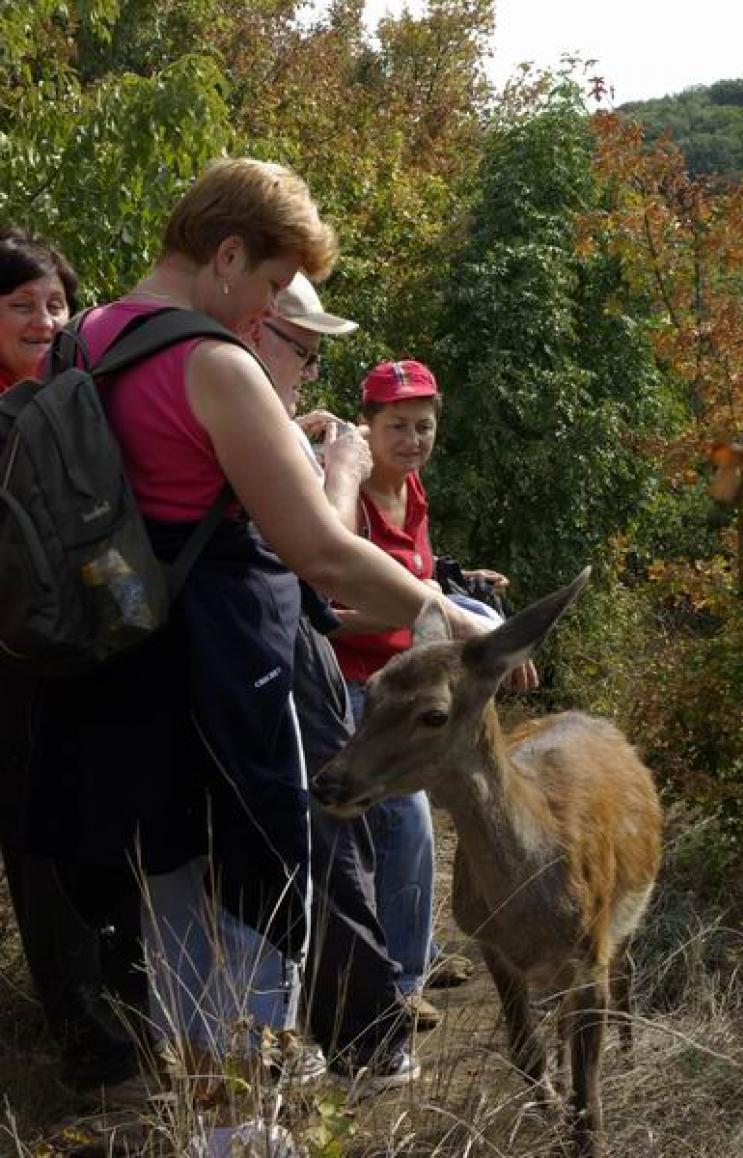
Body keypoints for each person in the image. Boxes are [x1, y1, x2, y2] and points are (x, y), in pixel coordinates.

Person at [13, 161, 489, 1099]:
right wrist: (441, 611)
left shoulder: (94, 333)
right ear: (227, 255)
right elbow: (320, 549)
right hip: (223, 690)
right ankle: (245, 1119)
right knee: (255, 912)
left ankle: (209, 1105)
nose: (266, 308)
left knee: (176, 909)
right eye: (271, 286)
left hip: (122, 679)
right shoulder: (213, 363)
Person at [249, 273, 414, 1087]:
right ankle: (367, 1044)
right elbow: (321, 557)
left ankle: (308, 1037)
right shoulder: (228, 390)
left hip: (257, 657)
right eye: (303, 351)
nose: (309, 371)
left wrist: (290, 431)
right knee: (328, 837)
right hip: (281, 657)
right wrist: (341, 467)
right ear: (258, 328)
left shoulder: (187, 387)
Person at [331, 360, 531, 1029]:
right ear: (369, 425)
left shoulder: (410, 491)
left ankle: (416, 943)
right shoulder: (348, 498)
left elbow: (417, 577)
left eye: (423, 426)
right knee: (408, 825)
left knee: (466, 803)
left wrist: (457, 582)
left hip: (413, 678)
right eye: (396, 426)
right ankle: (400, 982)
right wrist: (424, 611)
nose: (411, 439)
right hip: (364, 689)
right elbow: (332, 608)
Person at [0, 227, 148, 1097]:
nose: (46, 320)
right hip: (13, 670)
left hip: (88, 650)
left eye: (56, 304)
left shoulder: (79, 395)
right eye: (22, 305)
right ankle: (87, 1042)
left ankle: (131, 997)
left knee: (103, 825)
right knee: (37, 841)